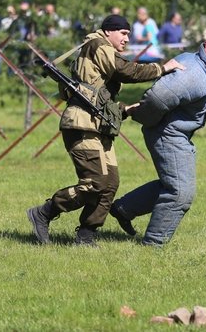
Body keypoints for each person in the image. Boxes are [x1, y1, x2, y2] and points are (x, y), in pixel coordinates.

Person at [26, 14, 185, 246]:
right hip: (82, 126)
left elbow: (98, 96)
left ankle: (86, 236)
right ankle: (44, 212)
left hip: (98, 127)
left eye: (129, 34)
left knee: (109, 184)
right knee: (96, 184)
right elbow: (126, 71)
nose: (127, 39)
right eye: (123, 33)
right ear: (109, 31)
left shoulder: (100, 50)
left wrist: (124, 109)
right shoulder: (98, 45)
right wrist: (162, 68)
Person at [109, 35, 206, 246]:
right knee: (180, 193)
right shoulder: (193, 76)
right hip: (169, 135)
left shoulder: (194, 61)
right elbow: (158, 98)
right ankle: (153, 245)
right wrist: (144, 117)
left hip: (172, 133)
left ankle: (124, 209)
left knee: (171, 184)